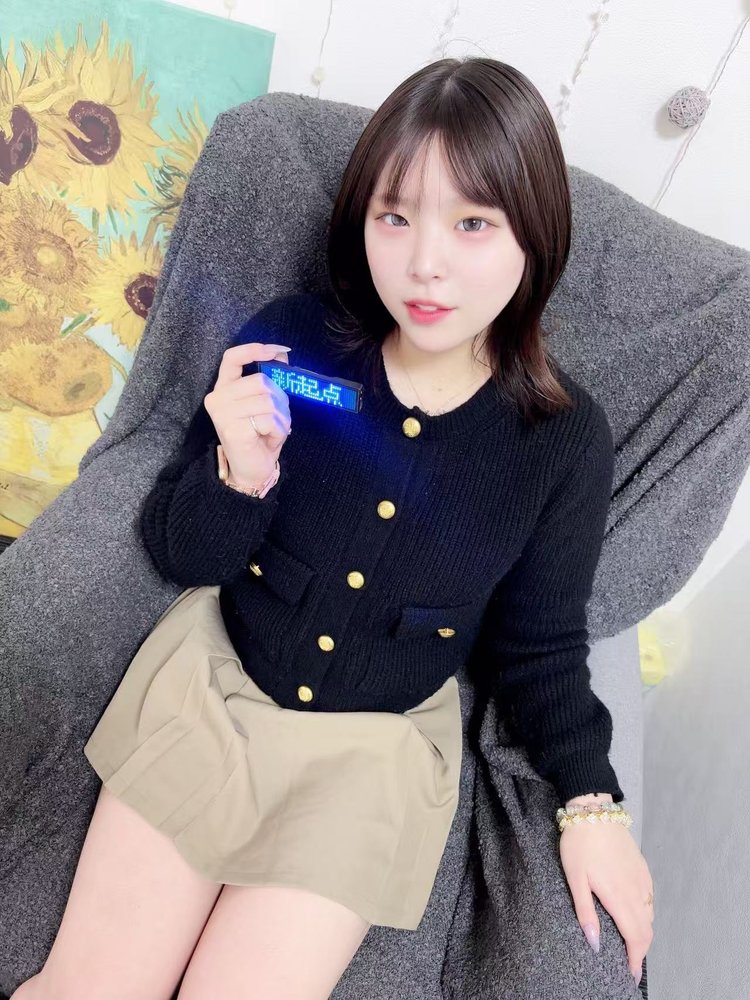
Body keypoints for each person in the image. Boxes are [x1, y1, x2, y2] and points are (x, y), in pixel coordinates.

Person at [11, 56, 653, 1000]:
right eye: (396, 217)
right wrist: (239, 476)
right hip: (213, 693)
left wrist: (593, 807)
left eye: (472, 223)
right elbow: (184, 552)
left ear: (535, 234)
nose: (424, 263)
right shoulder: (292, 341)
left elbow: (541, 646)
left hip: (369, 761)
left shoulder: (561, 441)